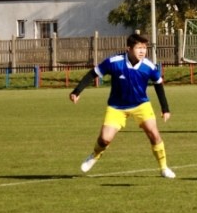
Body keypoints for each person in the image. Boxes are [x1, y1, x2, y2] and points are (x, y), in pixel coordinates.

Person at [69, 33, 175, 178]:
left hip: (141, 105)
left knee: (154, 134)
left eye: (144, 48)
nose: (142, 51)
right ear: (129, 49)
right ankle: (94, 155)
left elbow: (158, 83)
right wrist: (77, 91)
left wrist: (165, 108)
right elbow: (93, 73)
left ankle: (164, 168)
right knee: (105, 139)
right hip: (116, 107)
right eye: (139, 48)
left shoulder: (148, 66)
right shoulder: (114, 62)